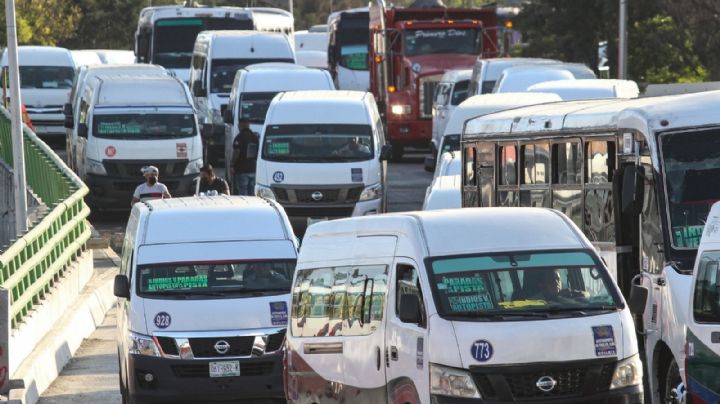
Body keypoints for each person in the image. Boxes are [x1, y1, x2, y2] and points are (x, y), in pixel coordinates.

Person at [231, 118, 258, 195]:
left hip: (242, 169)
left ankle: (245, 206)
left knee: (243, 192)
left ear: (241, 125)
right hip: (253, 168)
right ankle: (252, 206)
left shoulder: (239, 137)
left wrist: (232, 164)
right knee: (252, 192)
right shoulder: (255, 137)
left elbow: (236, 152)